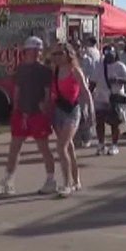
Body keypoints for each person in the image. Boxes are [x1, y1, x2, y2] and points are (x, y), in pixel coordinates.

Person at [0, 36, 57, 195]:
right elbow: (17, 90)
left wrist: (46, 109)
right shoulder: (20, 69)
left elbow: (48, 93)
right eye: (32, 50)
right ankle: (8, 181)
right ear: (26, 51)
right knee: (14, 147)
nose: (34, 53)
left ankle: (51, 180)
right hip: (21, 113)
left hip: (38, 114)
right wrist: (15, 109)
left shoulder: (45, 71)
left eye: (37, 50)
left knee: (43, 148)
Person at [49, 42, 92, 196]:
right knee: (69, 148)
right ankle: (76, 180)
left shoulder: (75, 71)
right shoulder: (54, 71)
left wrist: (90, 110)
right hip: (57, 112)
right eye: (55, 54)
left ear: (68, 54)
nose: (57, 57)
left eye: (60, 53)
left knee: (61, 147)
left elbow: (85, 91)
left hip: (72, 112)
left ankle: (66, 184)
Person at [93, 45, 126, 155]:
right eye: (106, 53)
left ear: (115, 53)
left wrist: (117, 80)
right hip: (101, 97)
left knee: (115, 122)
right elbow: (93, 81)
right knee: (99, 121)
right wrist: (88, 94)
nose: (108, 55)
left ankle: (114, 145)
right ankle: (101, 144)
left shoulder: (120, 66)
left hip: (115, 97)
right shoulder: (99, 65)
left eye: (110, 53)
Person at [76, 35, 102, 147]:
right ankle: (77, 138)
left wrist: (91, 89)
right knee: (76, 114)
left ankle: (86, 137)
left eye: (78, 46)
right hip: (73, 91)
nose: (76, 48)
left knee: (85, 114)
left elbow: (92, 76)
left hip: (84, 89)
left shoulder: (87, 58)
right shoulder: (70, 60)